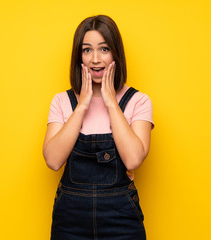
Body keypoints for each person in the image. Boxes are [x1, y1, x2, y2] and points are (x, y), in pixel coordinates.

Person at [43, 15, 154, 240]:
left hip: (121, 220)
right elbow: (53, 161)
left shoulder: (139, 101)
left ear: (115, 53)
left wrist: (111, 102)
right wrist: (82, 104)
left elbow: (133, 159)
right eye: (87, 50)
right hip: (70, 222)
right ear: (79, 57)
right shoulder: (62, 101)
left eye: (104, 49)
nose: (95, 59)